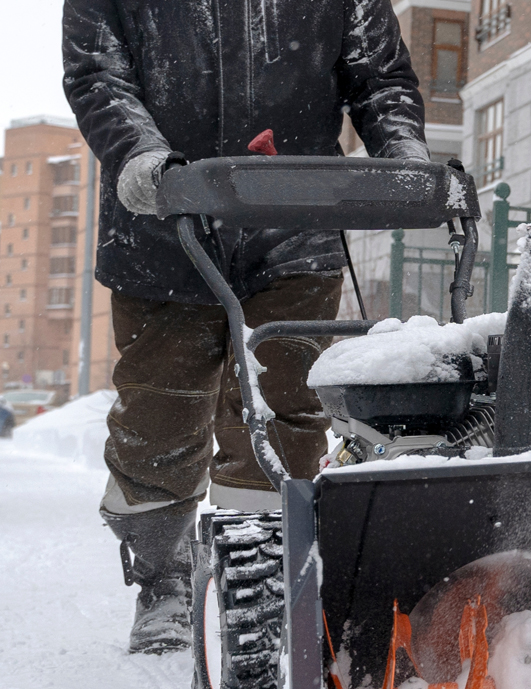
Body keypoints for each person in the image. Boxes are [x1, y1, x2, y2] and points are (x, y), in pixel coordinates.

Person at [63, 0, 429, 654]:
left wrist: (402, 151)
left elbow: (379, 76)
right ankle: (163, 576)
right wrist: (139, 154)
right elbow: (98, 73)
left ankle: (255, 576)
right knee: (159, 414)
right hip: (164, 225)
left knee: (283, 407)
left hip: (294, 221)